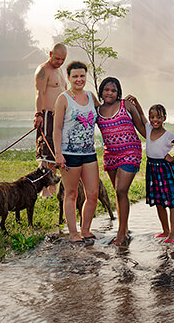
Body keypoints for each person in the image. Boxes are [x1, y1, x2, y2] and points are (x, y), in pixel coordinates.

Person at [53, 61, 101, 245]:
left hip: (89, 153)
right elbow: (57, 129)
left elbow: (102, 115)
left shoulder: (91, 96)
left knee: (93, 193)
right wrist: (58, 154)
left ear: (86, 76)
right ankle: (73, 234)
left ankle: (86, 230)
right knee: (71, 194)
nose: (79, 79)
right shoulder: (63, 98)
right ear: (69, 78)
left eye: (82, 76)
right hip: (69, 153)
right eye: (75, 76)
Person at [96, 77, 145, 246]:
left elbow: (143, 129)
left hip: (130, 151)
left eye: (113, 90)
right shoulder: (97, 110)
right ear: (101, 91)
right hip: (110, 155)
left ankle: (121, 235)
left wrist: (139, 107)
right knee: (118, 193)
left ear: (118, 93)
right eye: (107, 90)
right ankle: (124, 228)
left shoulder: (126, 105)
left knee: (122, 190)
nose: (110, 93)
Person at [145, 103, 174, 243]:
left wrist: (173, 158)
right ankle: (165, 230)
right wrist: (135, 102)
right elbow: (139, 115)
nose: (155, 120)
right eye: (152, 117)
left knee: (171, 203)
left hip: (165, 170)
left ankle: (173, 234)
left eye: (158, 117)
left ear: (164, 118)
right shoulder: (148, 129)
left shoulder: (169, 135)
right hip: (152, 168)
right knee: (159, 202)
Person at [33, 43, 67, 197]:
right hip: (47, 116)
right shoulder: (43, 70)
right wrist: (38, 114)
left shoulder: (59, 70)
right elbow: (39, 93)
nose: (59, 62)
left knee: (56, 151)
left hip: (61, 116)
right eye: (57, 58)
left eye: (63, 59)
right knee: (46, 152)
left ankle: (54, 188)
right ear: (50, 53)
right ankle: (45, 191)